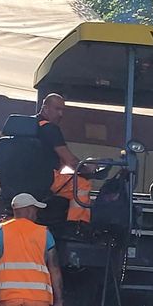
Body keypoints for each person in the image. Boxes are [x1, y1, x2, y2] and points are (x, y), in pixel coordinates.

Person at [34, 93, 92, 223]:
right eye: (57, 109)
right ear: (45, 108)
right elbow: (69, 161)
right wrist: (87, 169)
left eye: (62, 110)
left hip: (22, 180)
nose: (61, 114)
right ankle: (76, 226)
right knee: (82, 184)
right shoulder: (50, 129)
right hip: (46, 180)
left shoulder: (25, 127)